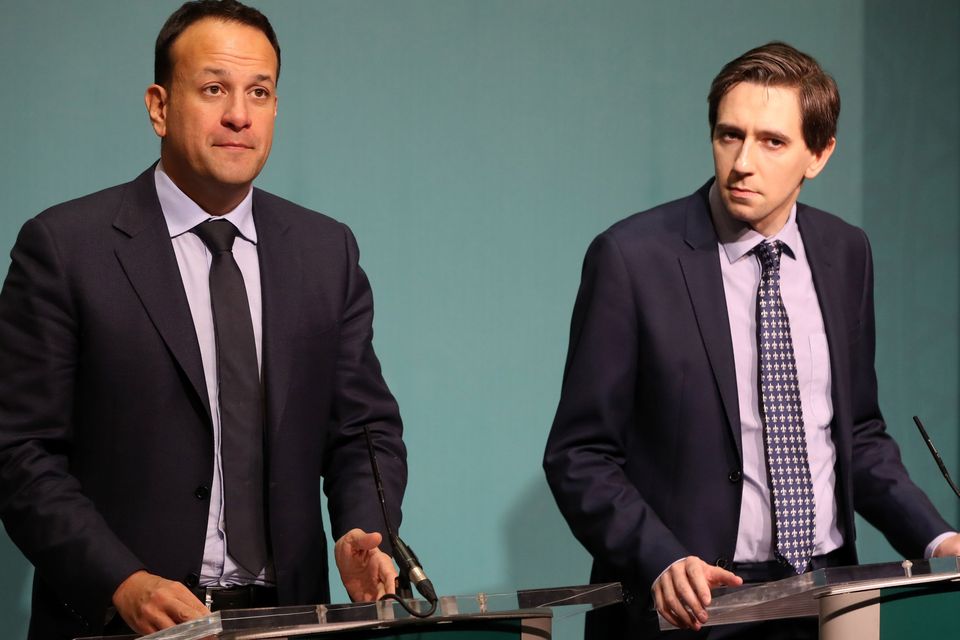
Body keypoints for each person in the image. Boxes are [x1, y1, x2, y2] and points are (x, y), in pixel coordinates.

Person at [0, 2, 407, 638]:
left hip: (290, 619)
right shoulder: (64, 248)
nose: (239, 114)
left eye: (260, 92)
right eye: (214, 88)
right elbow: (20, 452)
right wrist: (121, 583)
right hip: (126, 623)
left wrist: (364, 530)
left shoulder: (326, 251)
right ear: (159, 106)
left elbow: (361, 430)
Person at [543, 42, 960, 640]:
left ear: (818, 154)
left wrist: (938, 537)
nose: (742, 162)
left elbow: (857, 435)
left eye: (772, 141)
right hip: (694, 605)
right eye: (729, 135)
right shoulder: (632, 259)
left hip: (831, 600)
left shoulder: (847, 252)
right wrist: (661, 557)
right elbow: (578, 455)